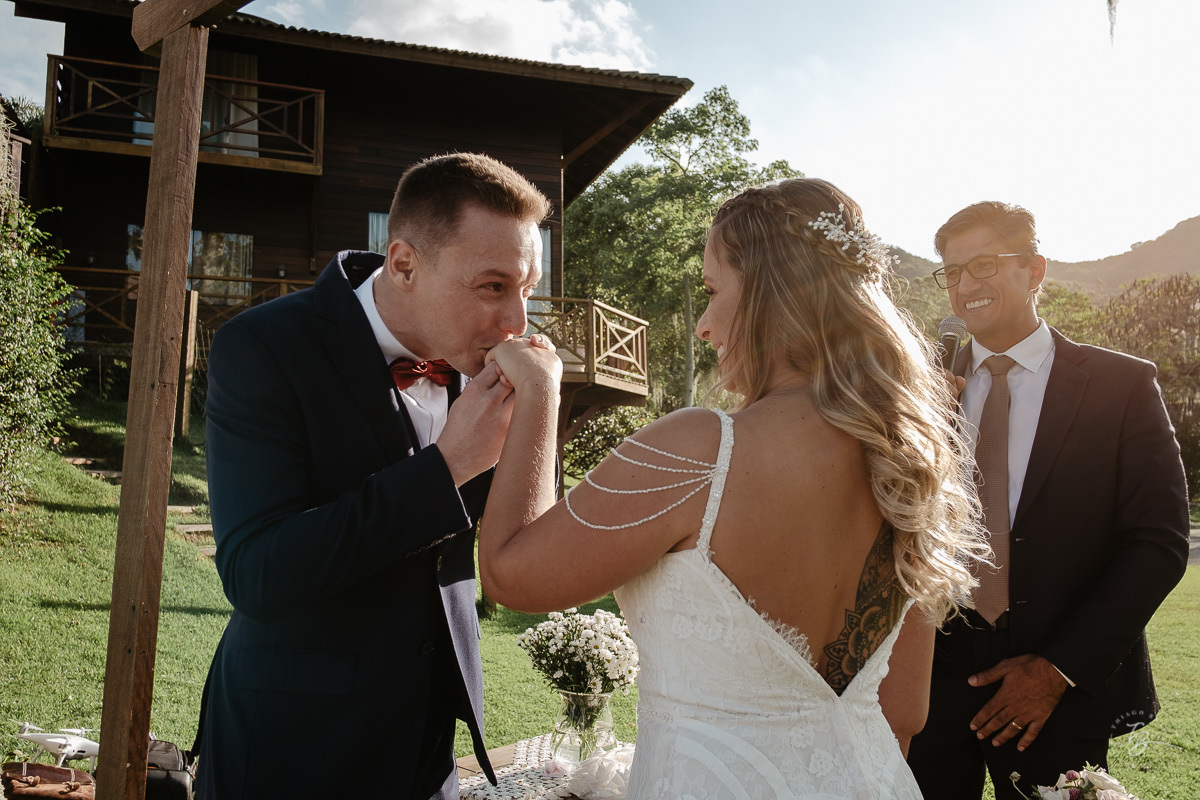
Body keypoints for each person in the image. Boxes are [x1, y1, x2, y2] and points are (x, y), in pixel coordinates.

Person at [478, 178, 989, 799]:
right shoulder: (911, 461)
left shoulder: (700, 450)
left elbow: (510, 573)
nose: (704, 324)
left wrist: (539, 391)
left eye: (715, 292)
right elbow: (905, 713)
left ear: (772, 297)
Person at [194, 152, 555, 800]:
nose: (517, 323)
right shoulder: (262, 347)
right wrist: (449, 467)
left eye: (526, 289)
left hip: (429, 752)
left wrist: (542, 413)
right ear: (405, 264)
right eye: (493, 286)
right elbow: (257, 573)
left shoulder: (485, 370)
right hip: (291, 752)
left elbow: (528, 553)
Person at [906, 201, 1190, 800]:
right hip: (929, 672)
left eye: (982, 265)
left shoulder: (1121, 385)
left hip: (1056, 677)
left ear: (1036, 270)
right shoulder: (923, 388)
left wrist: (1057, 669)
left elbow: (1158, 540)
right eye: (952, 273)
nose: (964, 286)